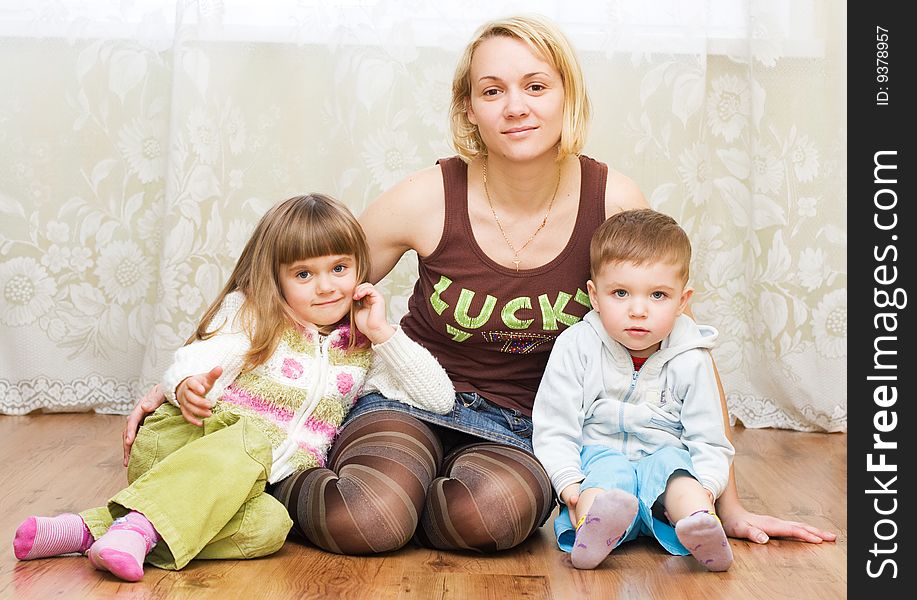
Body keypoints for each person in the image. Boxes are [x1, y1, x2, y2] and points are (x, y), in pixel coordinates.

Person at [122, 15, 835, 554]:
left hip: (525, 425)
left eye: (534, 85)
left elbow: (683, 345)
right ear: (468, 108)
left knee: (482, 515)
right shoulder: (426, 196)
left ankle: (416, 505)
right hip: (404, 402)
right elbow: (295, 283)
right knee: (364, 518)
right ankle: (264, 477)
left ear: (564, 95)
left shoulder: (613, 197)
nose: (514, 106)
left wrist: (728, 505)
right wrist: (188, 372)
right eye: (491, 91)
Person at [12, 194, 454, 581]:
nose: (326, 287)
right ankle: (136, 529)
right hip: (192, 443)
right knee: (249, 441)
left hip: (243, 485)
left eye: (339, 268)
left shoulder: (362, 346)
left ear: (360, 267)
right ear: (276, 277)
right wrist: (186, 385)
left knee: (270, 526)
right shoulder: (253, 313)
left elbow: (439, 398)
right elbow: (198, 360)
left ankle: (92, 530)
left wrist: (383, 334)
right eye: (304, 274)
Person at [533, 208, 734, 571]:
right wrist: (568, 483)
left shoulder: (691, 357)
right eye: (621, 293)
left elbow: (710, 438)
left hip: (664, 462)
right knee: (607, 480)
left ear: (682, 302)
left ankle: (700, 524)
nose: (638, 310)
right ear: (595, 296)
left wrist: (708, 486)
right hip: (600, 456)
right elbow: (554, 424)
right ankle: (593, 531)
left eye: (658, 295)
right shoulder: (577, 346)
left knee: (679, 475)